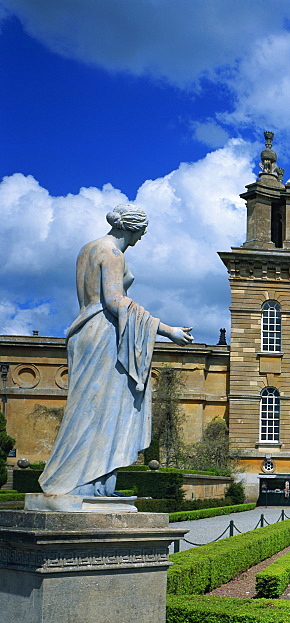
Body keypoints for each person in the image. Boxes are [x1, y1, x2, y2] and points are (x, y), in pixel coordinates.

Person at [39, 204, 193, 497]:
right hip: (104, 334)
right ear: (131, 228)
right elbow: (114, 300)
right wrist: (167, 330)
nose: (140, 239)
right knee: (100, 410)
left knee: (91, 409)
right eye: (141, 232)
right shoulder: (112, 253)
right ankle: (79, 483)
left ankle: (97, 484)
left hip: (85, 332)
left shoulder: (87, 249)